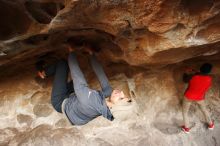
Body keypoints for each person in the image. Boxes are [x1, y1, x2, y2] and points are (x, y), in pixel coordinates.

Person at [35, 43, 130, 125]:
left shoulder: (89, 100)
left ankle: (43, 73)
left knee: (63, 64)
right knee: (79, 85)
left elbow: (76, 73)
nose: (121, 92)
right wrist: (91, 53)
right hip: (74, 101)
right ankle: (62, 83)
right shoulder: (107, 105)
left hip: (60, 102)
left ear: (113, 107)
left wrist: (71, 50)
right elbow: (101, 74)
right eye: (124, 95)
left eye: (121, 98)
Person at [181, 63, 214, 133]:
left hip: (188, 97)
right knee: (204, 110)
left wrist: (186, 72)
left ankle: (186, 128)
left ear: (200, 68)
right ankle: (211, 125)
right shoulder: (209, 79)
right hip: (200, 98)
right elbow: (201, 75)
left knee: (185, 112)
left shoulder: (193, 76)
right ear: (209, 72)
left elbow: (184, 80)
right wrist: (194, 71)